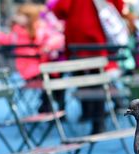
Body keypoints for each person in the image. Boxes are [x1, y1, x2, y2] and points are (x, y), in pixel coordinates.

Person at [51, 0, 128, 134]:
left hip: (76, 37)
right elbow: (119, 7)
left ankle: (87, 112)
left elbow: (59, 10)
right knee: (98, 77)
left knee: (80, 73)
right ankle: (98, 121)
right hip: (97, 36)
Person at [0, 3, 65, 112]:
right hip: (31, 70)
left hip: (41, 67)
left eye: (21, 14)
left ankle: (51, 105)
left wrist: (48, 46)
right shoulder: (18, 31)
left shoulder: (40, 28)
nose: (17, 17)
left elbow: (56, 38)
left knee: (57, 77)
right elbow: (6, 39)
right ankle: (52, 105)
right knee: (54, 79)